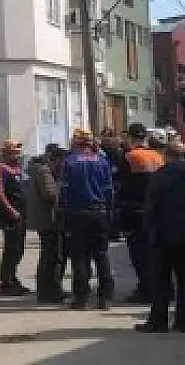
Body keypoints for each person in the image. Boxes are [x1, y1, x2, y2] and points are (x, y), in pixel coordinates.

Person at [135, 141, 185, 334]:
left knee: (161, 280)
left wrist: (148, 230)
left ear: (167, 155)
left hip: (163, 236)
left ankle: (158, 321)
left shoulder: (160, 177)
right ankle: (183, 322)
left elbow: (151, 207)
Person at [59, 128, 115, 311]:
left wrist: (62, 213)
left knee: (79, 256)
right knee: (101, 254)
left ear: (76, 142)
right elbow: (109, 190)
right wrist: (110, 212)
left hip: (76, 213)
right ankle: (105, 298)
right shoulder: (102, 161)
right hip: (99, 212)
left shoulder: (69, 162)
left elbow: (64, 190)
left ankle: (81, 298)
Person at [120, 123, 166, 304]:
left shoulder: (129, 157)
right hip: (157, 211)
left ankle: (147, 290)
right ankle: (161, 288)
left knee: (139, 254)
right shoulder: (158, 156)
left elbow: (121, 186)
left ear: (130, 137)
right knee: (156, 253)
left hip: (135, 211)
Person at [27, 144, 68, 304]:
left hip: (49, 220)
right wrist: (63, 187)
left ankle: (51, 289)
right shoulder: (44, 172)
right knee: (50, 257)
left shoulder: (47, 171)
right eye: (62, 161)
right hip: (47, 221)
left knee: (52, 256)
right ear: (55, 159)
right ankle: (47, 291)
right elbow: (50, 193)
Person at [0, 139, 31, 296]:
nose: (18, 155)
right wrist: (10, 210)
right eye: (15, 152)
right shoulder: (2, 168)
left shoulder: (18, 169)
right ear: (7, 153)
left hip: (22, 214)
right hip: (10, 216)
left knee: (19, 249)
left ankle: (13, 278)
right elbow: (0, 192)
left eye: (18, 152)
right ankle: (6, 282)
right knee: (11, 248)